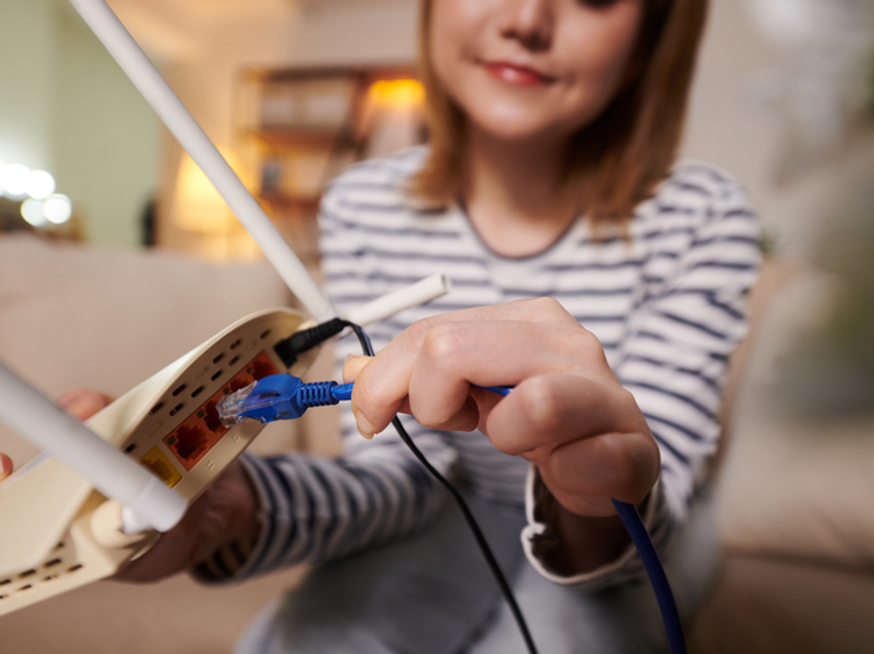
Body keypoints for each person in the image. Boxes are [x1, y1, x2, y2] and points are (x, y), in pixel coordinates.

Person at [1, 0, 760, 651]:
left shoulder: (703, 218)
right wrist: (231, 508)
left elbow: (654, 512)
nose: (528, 19)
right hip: (440, 508)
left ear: (654, 32)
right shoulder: (363, 205)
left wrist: (594, 493)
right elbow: (394, 479)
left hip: (616, 543)